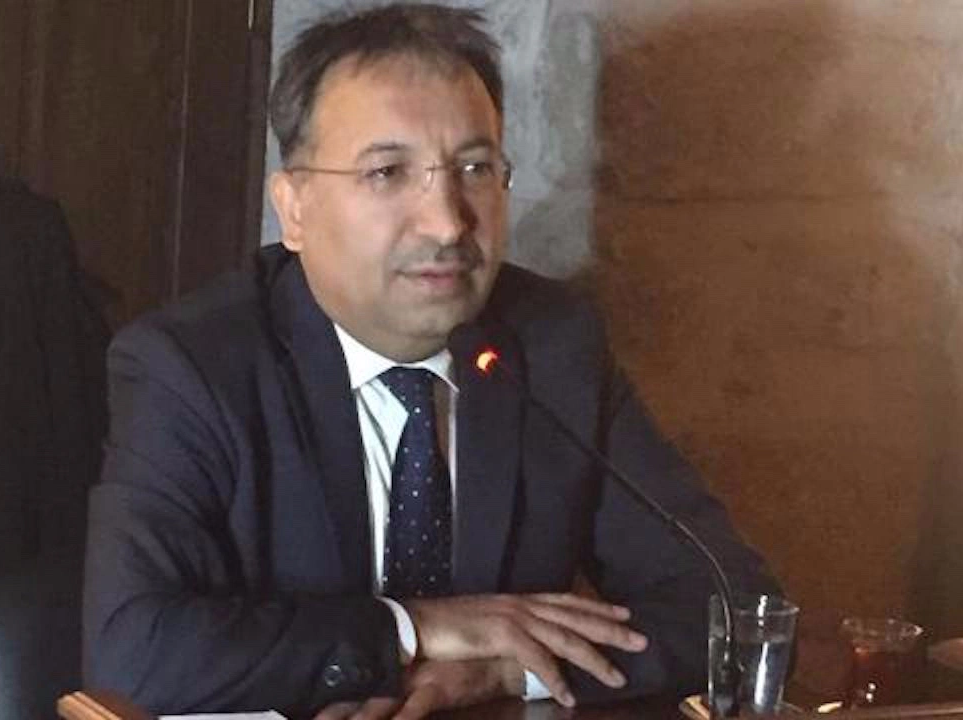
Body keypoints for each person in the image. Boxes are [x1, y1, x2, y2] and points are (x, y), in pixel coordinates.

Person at [83, 4, 777, 718]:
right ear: (294, 209)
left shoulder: (552, 344)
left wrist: (506, 670)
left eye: (475, 168)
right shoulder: (191, 366)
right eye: (387, 172)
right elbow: (131, 653)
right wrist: (415, 630)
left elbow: (738, 609)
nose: (448, 222)